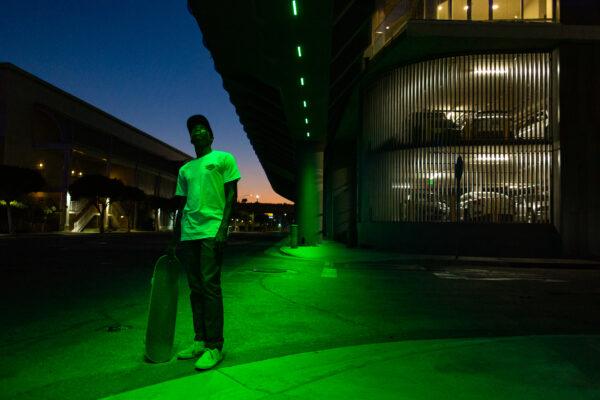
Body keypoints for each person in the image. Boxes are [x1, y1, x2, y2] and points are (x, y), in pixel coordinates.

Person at [168, 114, 240, 370]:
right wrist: (174, 238)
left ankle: (214, 346)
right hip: (189, 234)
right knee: (195, 288)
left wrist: (223, 229)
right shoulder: (185, 169)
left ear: (211, 135)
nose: (198, 132)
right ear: (190, 138)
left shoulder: (223, 158)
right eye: (193, 130)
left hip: (211, 230)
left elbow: (231, 195)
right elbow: (180, 206)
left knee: (210, 286)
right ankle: (199, 340)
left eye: (202, 128)